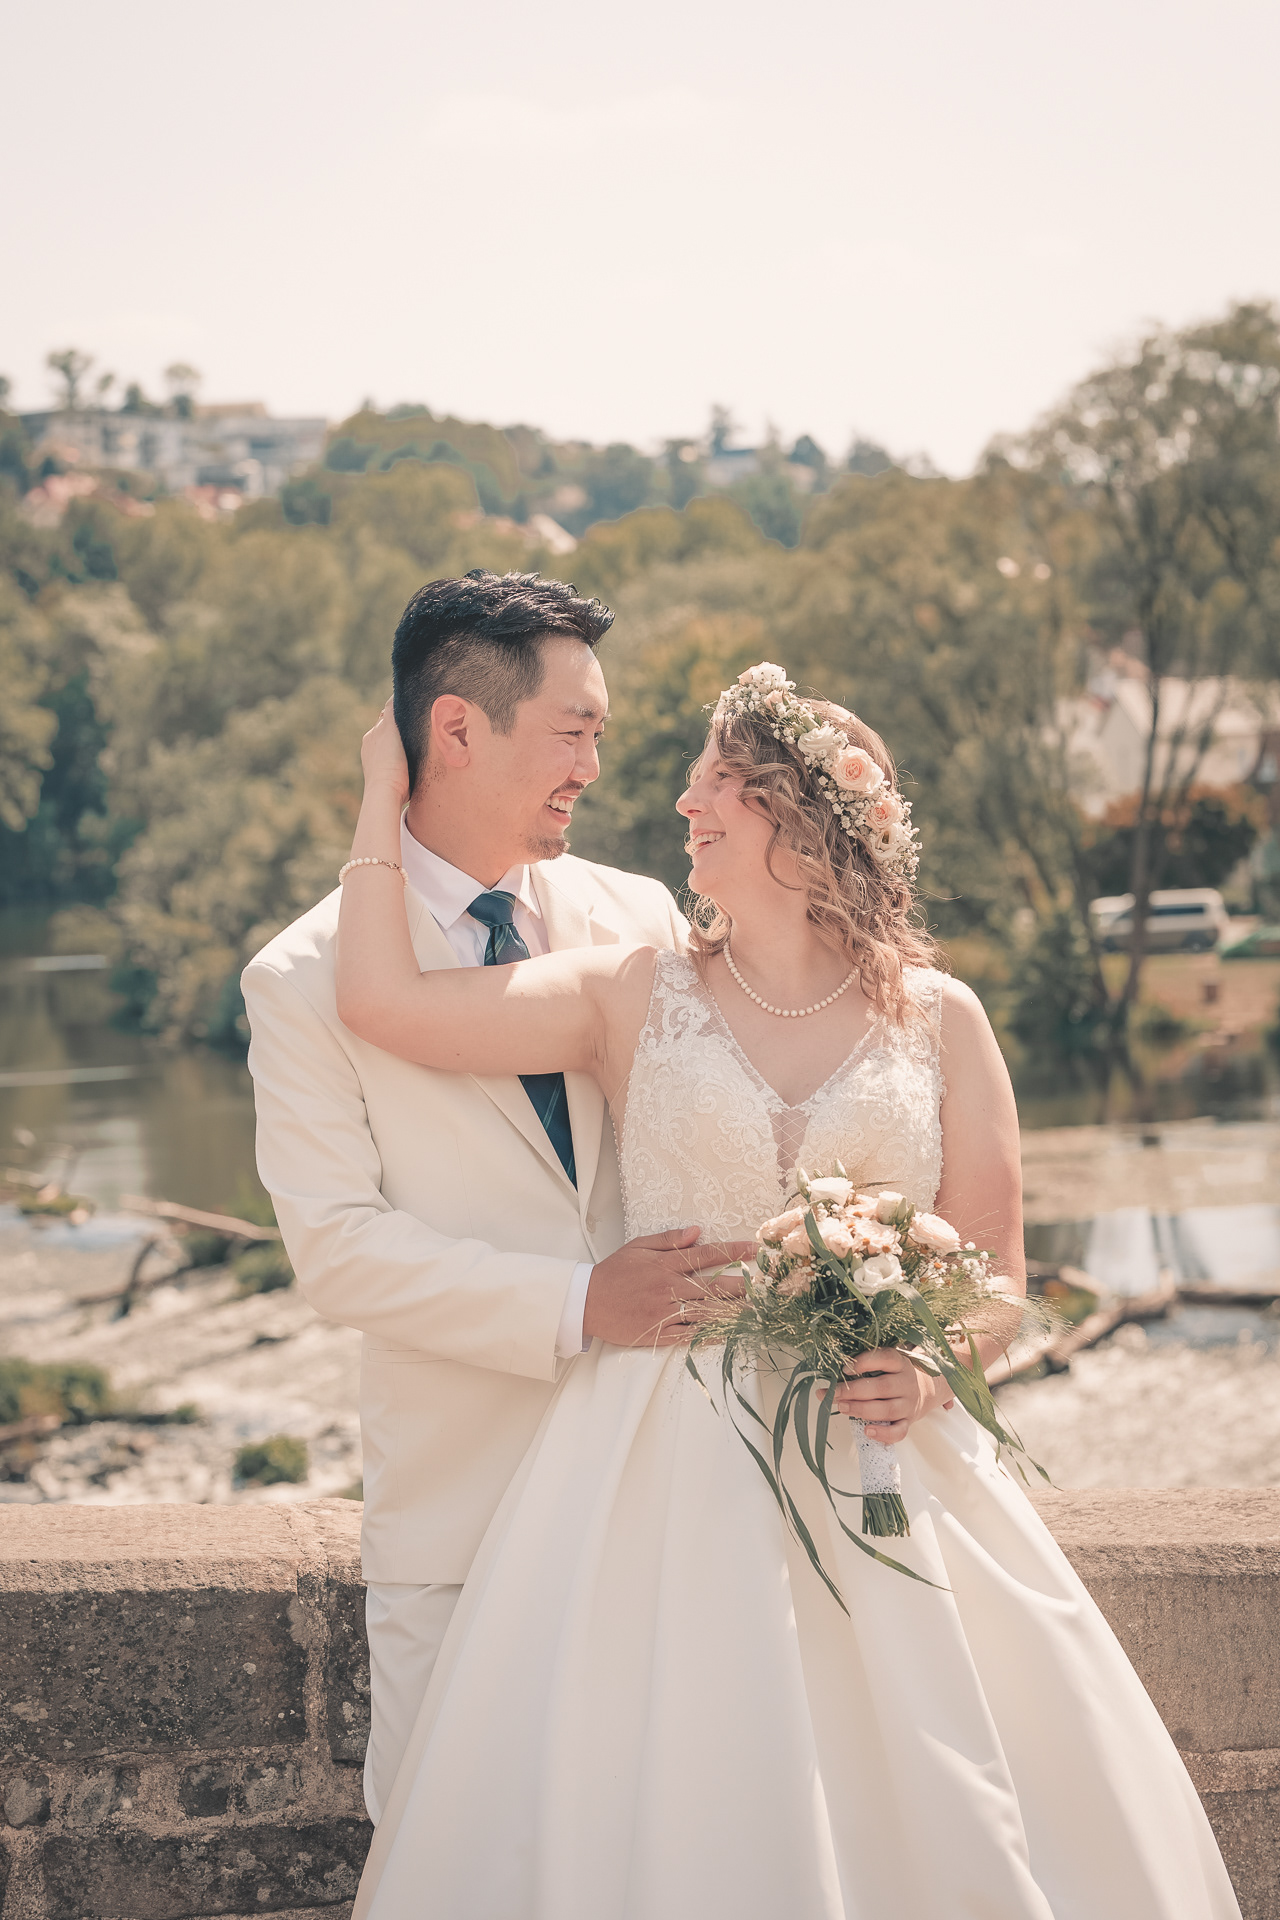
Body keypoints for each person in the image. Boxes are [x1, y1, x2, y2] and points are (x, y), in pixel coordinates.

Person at [336, 660, 1241, 1920]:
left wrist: (929, 1369)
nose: (684, 803)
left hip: (882, 1457)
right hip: (656, 1453)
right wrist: (380, 793)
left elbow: (996, 1274)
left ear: (801, 817)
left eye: (718, 782)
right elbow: (382, 1004)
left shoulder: (941, 1017)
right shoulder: (628, 992)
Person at [241, 571, 754, 1825]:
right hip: (459, 1523)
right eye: (572, 731)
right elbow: (338, 1252)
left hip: (666, 1499)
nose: (594, 765)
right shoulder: (300, 978)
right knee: (457, 1860)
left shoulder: (639, 915)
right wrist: (580, 1303)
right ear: (458, 728)